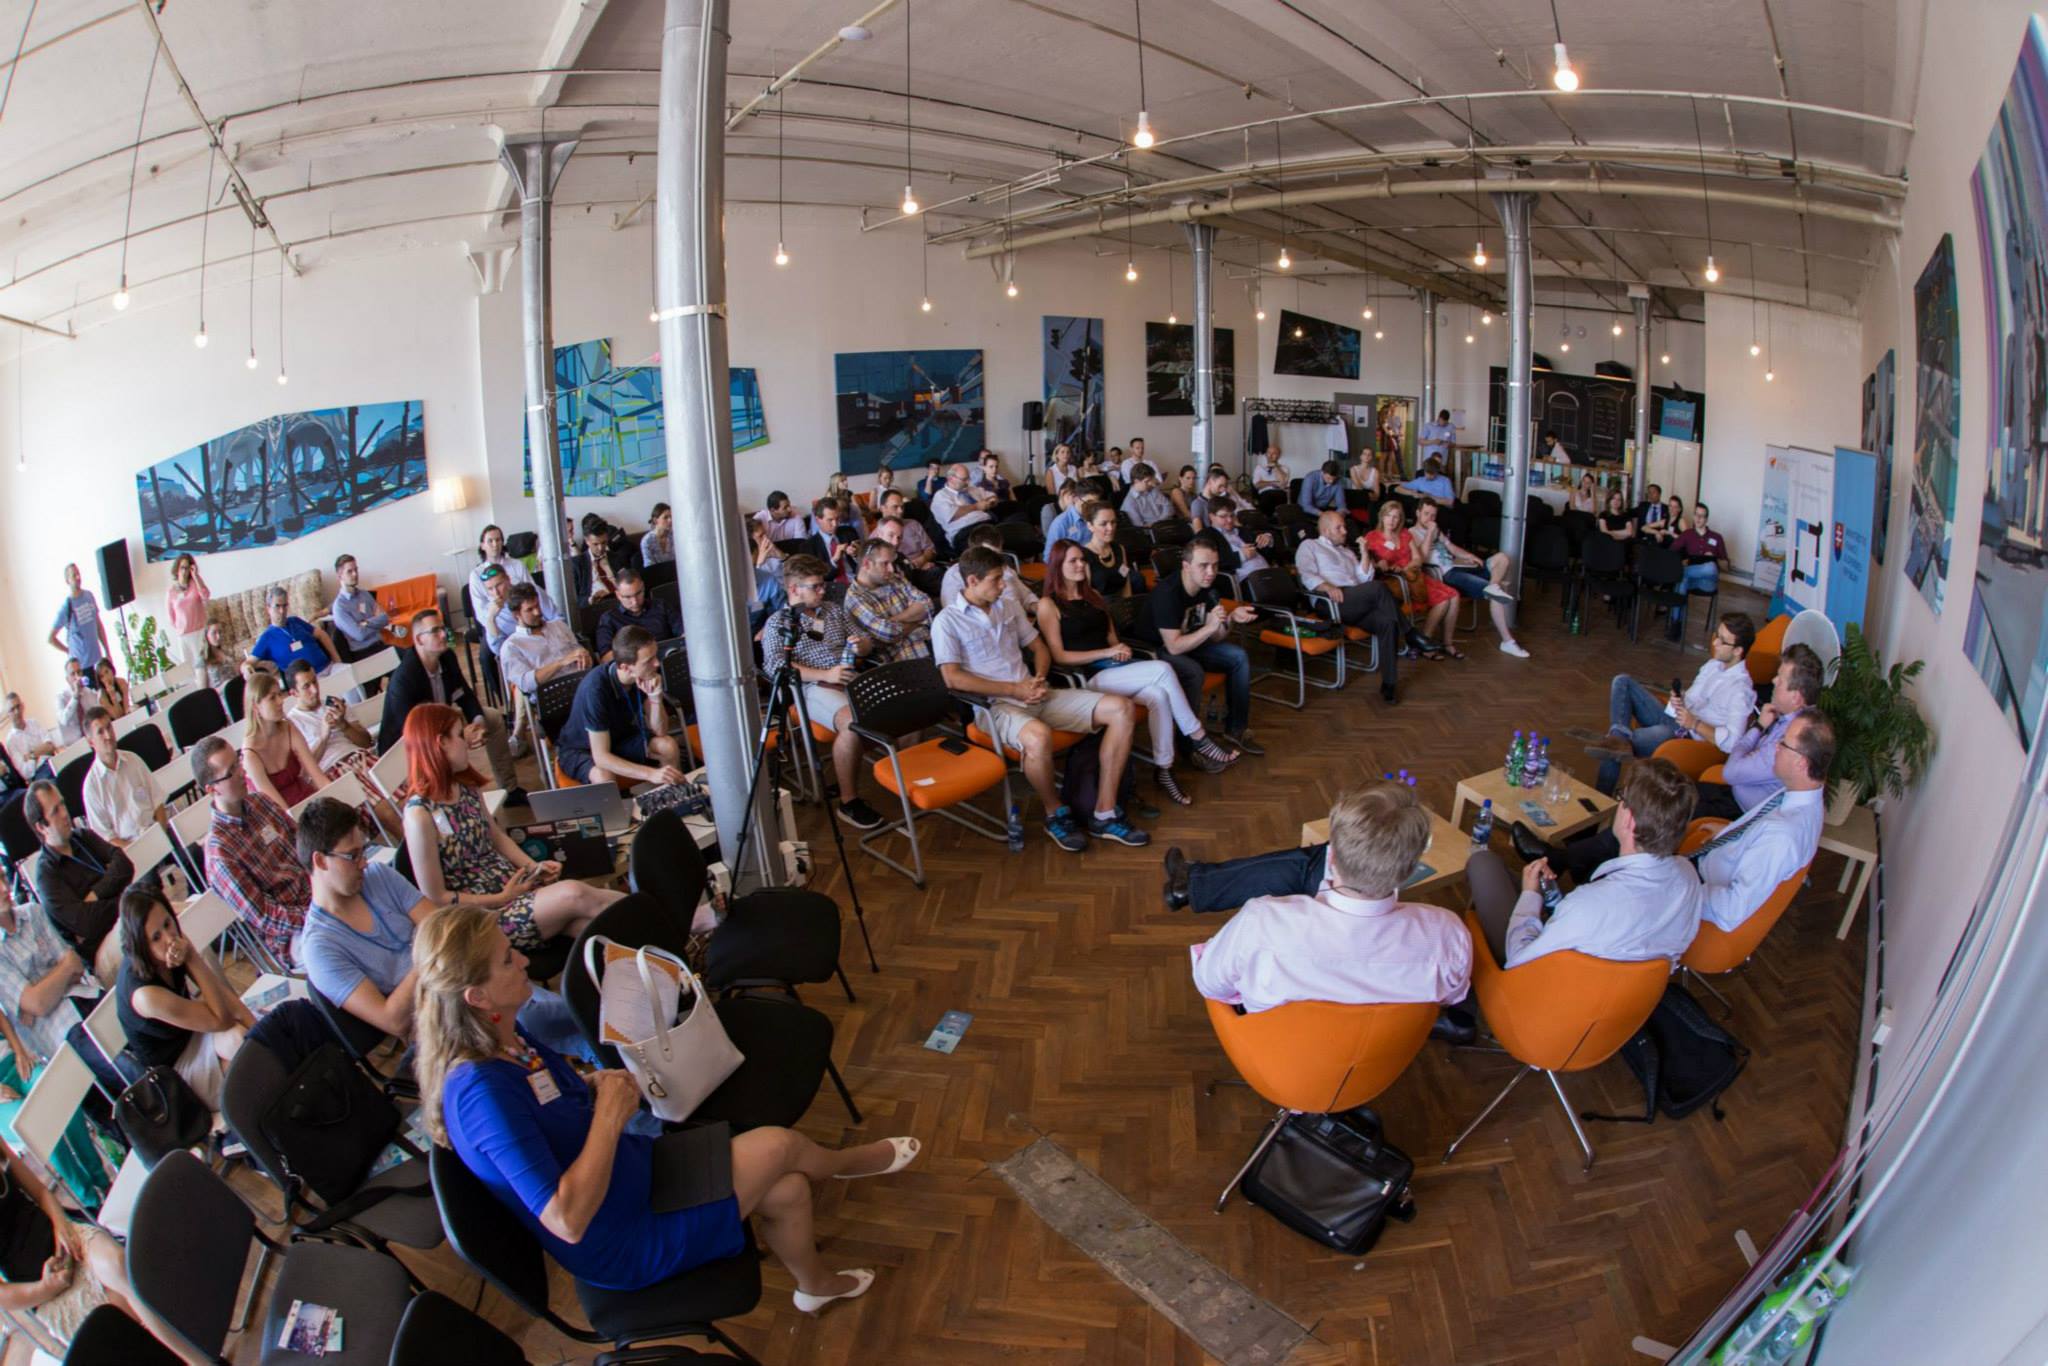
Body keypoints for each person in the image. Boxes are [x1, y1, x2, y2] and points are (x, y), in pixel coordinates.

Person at [419, 905, 918, 1311]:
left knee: (787, 1189)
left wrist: (591, 1085)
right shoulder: (482, 1095)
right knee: (779, 1145)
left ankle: (815, 1285)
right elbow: (567, 1220)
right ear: (477, 995)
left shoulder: (505, 1035)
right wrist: (609, 1116)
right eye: (508, 960)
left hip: (631, 1176)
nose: (525, 962)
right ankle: (844, 1164)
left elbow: (546, 1102)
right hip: (621, 1238)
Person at [1521, 644, 1826, 881]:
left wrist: (1757, 727)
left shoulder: (1793, 738)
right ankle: (1579, 858)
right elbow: (1739, 756)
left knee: (1653, 812)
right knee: (1651, 799)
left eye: (1781, 679)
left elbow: (1733, 767)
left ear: (1797, 697)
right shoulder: (1786, 720)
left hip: (1733, 806)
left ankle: (1570, 860)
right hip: (1722, 787)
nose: (1773, 680)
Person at [1189, 782, 1472, 1014]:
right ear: (1410, 870)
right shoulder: (1448, 934)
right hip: (1383, 1055)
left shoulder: (1261, 921)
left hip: (1271, 1048)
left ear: (1331, 856)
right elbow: (1452, 996)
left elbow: (1209, 983)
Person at [934, 546, 1147, 850]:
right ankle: (1054, 812)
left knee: (1122, 708)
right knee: (1038, 737)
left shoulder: (1007, 606)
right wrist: (1014, 690)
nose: (1003, 585)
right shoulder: (947, 621)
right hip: (994, 706)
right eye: (996, 579)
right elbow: (952, 678)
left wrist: (1039, 677)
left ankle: (1105, 811)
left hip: (1034, 692)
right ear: (972, 581)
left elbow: (1039, 648)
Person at [402, 706, 618, 954]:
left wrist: (533, 867)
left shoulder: (464, 785)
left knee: (593, 929)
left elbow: (495, 836)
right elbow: (436, 897)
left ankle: (645, 940)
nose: (468, 742)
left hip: (513, 888)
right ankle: (650, 907)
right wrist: (501, 898)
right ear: (441, 743)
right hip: (482, 917)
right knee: (575, 894)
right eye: (460, 735)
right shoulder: (419, 815)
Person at [1037, 539, 1236, 806]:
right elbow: (1060, 656)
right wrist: (1105, 653)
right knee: (1163, 670)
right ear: (1058, 565)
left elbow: (1111, 639)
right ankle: (1198, 736)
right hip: (1084, 678)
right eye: (1073, 561)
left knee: (1158, 696)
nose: (1081, 565)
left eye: (1083, 560)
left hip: (1113, 669)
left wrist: (1119, 650)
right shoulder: (1048, 605)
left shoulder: (1093, 596)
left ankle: (1164, 769)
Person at [1466, 758, 1703, 971]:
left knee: (1482, 862)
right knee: (1510, 878)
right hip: (1622, 995)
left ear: (1629, 819)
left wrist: (1530, 896)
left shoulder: (1588, 904)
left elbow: (1518, 957)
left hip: (1539, 988)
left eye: (1621, 797)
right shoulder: (1688, 876)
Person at [760, 559, 884, 830]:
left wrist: (861, 646)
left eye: (823, 585)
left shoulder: (832, 611)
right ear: (794, 589)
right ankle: (848, 801)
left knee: (898, 701)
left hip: (848, 676)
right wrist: (826, 675)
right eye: (815, 587)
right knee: (852, 723)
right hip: (811, 686)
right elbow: (776, 666)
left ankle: (897, 772)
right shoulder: (779, 622)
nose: (823, 591)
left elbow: (865, 642)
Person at [1582, 612, 1759, 793]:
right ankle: (1619, 737)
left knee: (1615, 744)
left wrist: (1695, 724)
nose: (1715, 643)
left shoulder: (1741, 690)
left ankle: (1602, 792)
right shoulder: (1713, 665)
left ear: (1738, 651)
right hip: (1675, 717)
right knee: (1622, 682)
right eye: (1717, 636)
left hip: (1688, 739)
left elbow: (1733, 742)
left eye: (1722, 641)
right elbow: (1693, 699)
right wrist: (1679, 698)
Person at [0, 1141, 154, 1346]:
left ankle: (189, 1348)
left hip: (65, 1238)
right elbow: (3, 1295)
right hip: (40, 1288)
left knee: (120, 1267)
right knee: (120, 1315)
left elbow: (41, 1193)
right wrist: (46, 1288)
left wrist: (61, 1226)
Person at [114, 885, 252, 1110]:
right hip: (177, 1074)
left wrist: (259, 1028)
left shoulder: (172, 941)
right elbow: (221, 1019)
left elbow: (223, 997)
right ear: (142, 946)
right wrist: (192, 958)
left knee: (246, 1037)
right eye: (156, 937)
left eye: (168, 923)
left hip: (195, 1034)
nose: (169, 938)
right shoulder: (145, 995)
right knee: (246, 1052)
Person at [1694, 712, 1832, 933]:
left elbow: (1730, 910)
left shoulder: (1782, 836)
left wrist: (1679, 891)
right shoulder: (1802, 797)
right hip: (1714, 860)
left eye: (1783, 743)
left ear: (1801, 763)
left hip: (1701, 887)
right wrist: (1730, 832)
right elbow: (1760, 833)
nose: (1775, 746)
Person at [189, 736, 312, 969]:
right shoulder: (220, 854)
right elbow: (266, 917)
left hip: (318, 893)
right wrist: (319, 912)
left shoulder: (260, 802)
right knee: (347, 937)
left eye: (238, 762)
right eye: (231, 771)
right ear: (211, 789)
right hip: (292, 934)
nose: (242, 772)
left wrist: (329, 883)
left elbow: (303, 843)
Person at [1135, 533, 1264, 755]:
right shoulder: (1168, 593)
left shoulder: (1208, 588)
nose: (1211, 572)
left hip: (1188, 642)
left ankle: (1236, 729)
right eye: (1203, 566)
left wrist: (1231, 618)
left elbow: (1216, 636)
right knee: (1192, 671)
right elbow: (1174, 647)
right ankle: (1191, 746)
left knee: (1238, 657)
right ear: (1186, 566)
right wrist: (1209, 628)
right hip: (1155, 651)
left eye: (1215, 565)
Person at [376, 608, 523, 798]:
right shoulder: (404, 680)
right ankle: (465, 802)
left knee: (492, 718)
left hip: (442, 725)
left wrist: (477, 723)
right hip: (408, 744)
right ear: (419, 639)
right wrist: (458, 736)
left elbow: (465, 695)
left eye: (443, 628)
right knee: (455, 745)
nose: (444, 634)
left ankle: (509, 790)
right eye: (435, 631)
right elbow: (416, 733)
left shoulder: (446, 657)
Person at [554, 625, 686, 791]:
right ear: (625, 668)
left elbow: (660, 731)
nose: (657, 663)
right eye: (648, 661)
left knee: (668, 746)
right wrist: (650, 774)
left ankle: (673, 796)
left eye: (655, 656)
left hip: (619, 738)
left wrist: (655, 698)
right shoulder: (595, 690)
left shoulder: (642, 675)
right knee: (603, 776)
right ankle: (620, 809)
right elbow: (601, 757)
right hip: (583, 748)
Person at [1297, 509, 1407, 697]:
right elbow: (1305, 573)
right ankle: (1411, 634)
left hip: (1355, 600)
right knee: (1378, 587)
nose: (1345, 531)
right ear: (1326, 531)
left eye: (1344, 527)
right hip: (1331, 601)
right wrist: (1326, 586)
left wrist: (1364, 554)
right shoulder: (1310, 545)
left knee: (1387, 622)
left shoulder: (1347, 551)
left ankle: (1389, 683)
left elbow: (1363, 579)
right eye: (1338, 528)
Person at [28, 780, 131, 974]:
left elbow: (124, 865)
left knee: (168, 919)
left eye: (63, 804)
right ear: (41, 827)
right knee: (153, 921)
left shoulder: (83, 837)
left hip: (126, 920)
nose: (65, 813)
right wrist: (124, 898)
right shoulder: (47, 877)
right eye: (55, 811)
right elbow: (88, 924)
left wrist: (96, 894)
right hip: (101, 951)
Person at [1364, 501, 1457, 659]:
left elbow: (1417, 558)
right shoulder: (1372, 537)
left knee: (1453, 595)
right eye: (1388, 516)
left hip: (1413, 577)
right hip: (1394, 582)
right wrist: (1380, 565)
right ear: (1382, 516)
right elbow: (1368, 566)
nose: (1392, 520)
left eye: (1396, 517)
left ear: (1400, 519)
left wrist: (1406, 567)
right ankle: (1424, 642)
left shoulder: (1405, 534)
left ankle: (1439, 642)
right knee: (1444, 600)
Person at [241, 669, 328, 810]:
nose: (281, 701)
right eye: (272, 698)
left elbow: (317, 775)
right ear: (256, 706)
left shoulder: (288, 728)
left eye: (280, 694)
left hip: (308, 798)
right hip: (282, 814)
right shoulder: (250, 755)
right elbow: (279, 809)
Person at [845, 539, 934, 668]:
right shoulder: (855, 598)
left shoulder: (894, 578)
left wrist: (890, 621)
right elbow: (888, 633)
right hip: (906, 660)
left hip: (933, 641)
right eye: (885, 563)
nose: (891, 569)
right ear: (866, 564)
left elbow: (927, 604)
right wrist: (918, 620)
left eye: (891, 563)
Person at [80, 707, 162, 847]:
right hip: (129, 848)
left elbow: (158, 802)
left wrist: (161, 835)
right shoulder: (91, 787)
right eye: (100, 732)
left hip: (156, 831)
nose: (108, 736)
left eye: (109, 727)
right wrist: (140, 851)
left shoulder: (133, 760)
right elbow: (107, 838)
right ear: (91, 742)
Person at [499, 583, 594, 700]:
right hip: (552, 697)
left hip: (581, 685)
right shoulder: (512, 646)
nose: (537, 612)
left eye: (537, 605)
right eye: (530, 609)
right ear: (516, 615)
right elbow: (526, 684)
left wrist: (585, 657)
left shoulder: (559, 625)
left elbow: (581, 656)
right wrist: (561, 662)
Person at [940, 524, 1038, 617]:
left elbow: (1026, 596)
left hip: (1021, 619)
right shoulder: (954, 575)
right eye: (988, 554)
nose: (995, 560)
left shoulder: (1004, 568)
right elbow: (955, 613)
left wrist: (1037, 608)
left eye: (998, 554)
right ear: (974, 551)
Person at [247, 585, 339, 678]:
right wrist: (245, 668)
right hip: (309, 681)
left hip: (330, 667)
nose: (282, 611)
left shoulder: (296, 621)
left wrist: (337, 660)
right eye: (277, 606)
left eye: (285, 606)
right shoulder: (267, 637)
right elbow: (248, 662)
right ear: (268, 609)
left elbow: (322, 635)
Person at [1669, 502, 1731, 638]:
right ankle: (1675, 623)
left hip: (1708, 583)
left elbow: (1726, 566)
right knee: (1682, 581)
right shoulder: (1687, 534)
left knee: (1711, 567)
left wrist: (1714, 557)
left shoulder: (1717, 537)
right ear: (1693, 516)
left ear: (1706, 519)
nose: (1698, 519)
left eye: (1702, 516)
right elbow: (1671, 552)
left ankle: (1681, 572)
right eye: (1696, 515)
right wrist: (1681, 560)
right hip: (1691, 580)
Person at [594, 567, 683, 659]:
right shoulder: (609, 619)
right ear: (618, 595)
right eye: (628, 597)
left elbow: (683, 633)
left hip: (670, 658)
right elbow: (606, 657)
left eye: (638, 593)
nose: (635, 602)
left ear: (643, 587)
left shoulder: (661, 606)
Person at [329, 553, 393, 661]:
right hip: (363, 653)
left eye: (356, 570)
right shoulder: (339, 607)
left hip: (380, 644)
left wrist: (364, 623)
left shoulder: (365, 594)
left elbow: (385, 618)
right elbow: (360, 635)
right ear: (340, 576)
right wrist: (376, 621)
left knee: (410, 655)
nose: (355, 574)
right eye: (349, 571)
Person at [47, 564, 109, 672]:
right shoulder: (67, 606)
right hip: (82, 665)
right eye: (73, 575)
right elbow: (51, 638)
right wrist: (68, 651)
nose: (78, 577)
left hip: (97, 660)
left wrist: (107, 651)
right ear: (67, 580)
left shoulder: (89, 595)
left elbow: (98, 625)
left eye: (78, 574)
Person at [468, 524, 536, 621]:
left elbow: (533, 591)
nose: (495, 544)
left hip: (524, 617)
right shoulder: (476, 575)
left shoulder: (517, 565)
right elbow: (480, 612)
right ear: (482, 546)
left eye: (498, 540)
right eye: (490, 541)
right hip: (497, 622)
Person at [1078, 499, 1135, 598]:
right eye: (1103, 524)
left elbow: (1126, 584)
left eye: (1113, 522)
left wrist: (1128, 605)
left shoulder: (1119, 549)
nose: (1111, 528)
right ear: (1090, 526)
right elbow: (1087, 596)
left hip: (1121, 605)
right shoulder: (1084, 555)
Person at [930, 463, 995, 548]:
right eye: (964, 479)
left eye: (968, 478)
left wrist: (990, 502)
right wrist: (976, 506)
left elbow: (992, 496)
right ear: (951, 479)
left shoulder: (971, 489)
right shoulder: (941, 496)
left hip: (986, 523)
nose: (968, 482)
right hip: (965, 532)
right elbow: (952, 514)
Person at [799, 497, 861, 582]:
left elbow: (864, 562)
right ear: (818, 520)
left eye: (837, 518)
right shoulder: (808, 546)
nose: (835, 524)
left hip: (856, 580)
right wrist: (834, 560)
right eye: (830, 520)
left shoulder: (849, 532)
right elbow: (818, 578)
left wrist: (856, 555)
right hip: (831, 586)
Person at [165, 553, 212, 664]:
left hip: (199, 631)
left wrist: (196, 576)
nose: (184, 571)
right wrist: (181, 627)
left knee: (203, 665)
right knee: (189, 668)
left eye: (187, 568)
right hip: (184, 635)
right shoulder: (171, 592)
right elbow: (171, 617)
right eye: (182, 568)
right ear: (177, 569)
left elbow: (206, 596)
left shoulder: (196, 584)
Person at [571, 514, 628, 607]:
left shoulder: (615, 557)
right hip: (596, 606)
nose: (601, 548)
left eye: (604, 543)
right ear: (587, 541)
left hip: (620, 601)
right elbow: (574, 599)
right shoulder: (577, 564)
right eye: (595, 544)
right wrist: (590, 600)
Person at [1206, 500, 1272, 579]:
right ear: (1211, 517)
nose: (1230, 520)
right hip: (1246, 578)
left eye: (1232, 515)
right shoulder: (1207, 536)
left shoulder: (1241, 530)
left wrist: (1267, 538)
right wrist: (1241, 555)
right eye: (1223, 516)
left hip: (1267, 571)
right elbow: (1213, 562)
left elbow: (1262, 545)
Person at [2, 693, 56, 780]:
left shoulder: (34, 723)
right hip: (39, 772)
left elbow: (51, 746)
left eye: (18, 706)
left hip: (52, 761)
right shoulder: (11, 741)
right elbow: (26, 773)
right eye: (12, 709)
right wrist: (41, 751)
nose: (17, 712)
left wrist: (30, 755)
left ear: (22, 706)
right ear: (8, 714)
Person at [55, 656, 96, 745]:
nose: (77, 676)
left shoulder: (89, 692)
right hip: (75, 744)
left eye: (79, 672)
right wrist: (75, 697)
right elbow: (64, 720)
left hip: (92, 739)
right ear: (67, 679)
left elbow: (96, 715)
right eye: (73, 674)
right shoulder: (61, 697)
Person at [1042, 479, 1089, 548]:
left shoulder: (1074, 511)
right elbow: (1048, 534)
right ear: (1063, 493)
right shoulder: (1049, 509)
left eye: (1076, 496)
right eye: (1073, 496)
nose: (1075, 500)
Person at [198, 620, 240, 689]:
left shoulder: (227, 652)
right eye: (214, 633)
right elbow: (203, 690)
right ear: (206, 636)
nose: (218, 636)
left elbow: (236, 673)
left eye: (220, 632)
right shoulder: (202, 659)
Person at [641, 502, 675, 566]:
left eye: (671, 517)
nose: (670, 520)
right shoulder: (647, 541)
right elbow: (650, 566)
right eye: (665, 517)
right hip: (656, 572)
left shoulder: (674, 536)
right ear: (655, 520)